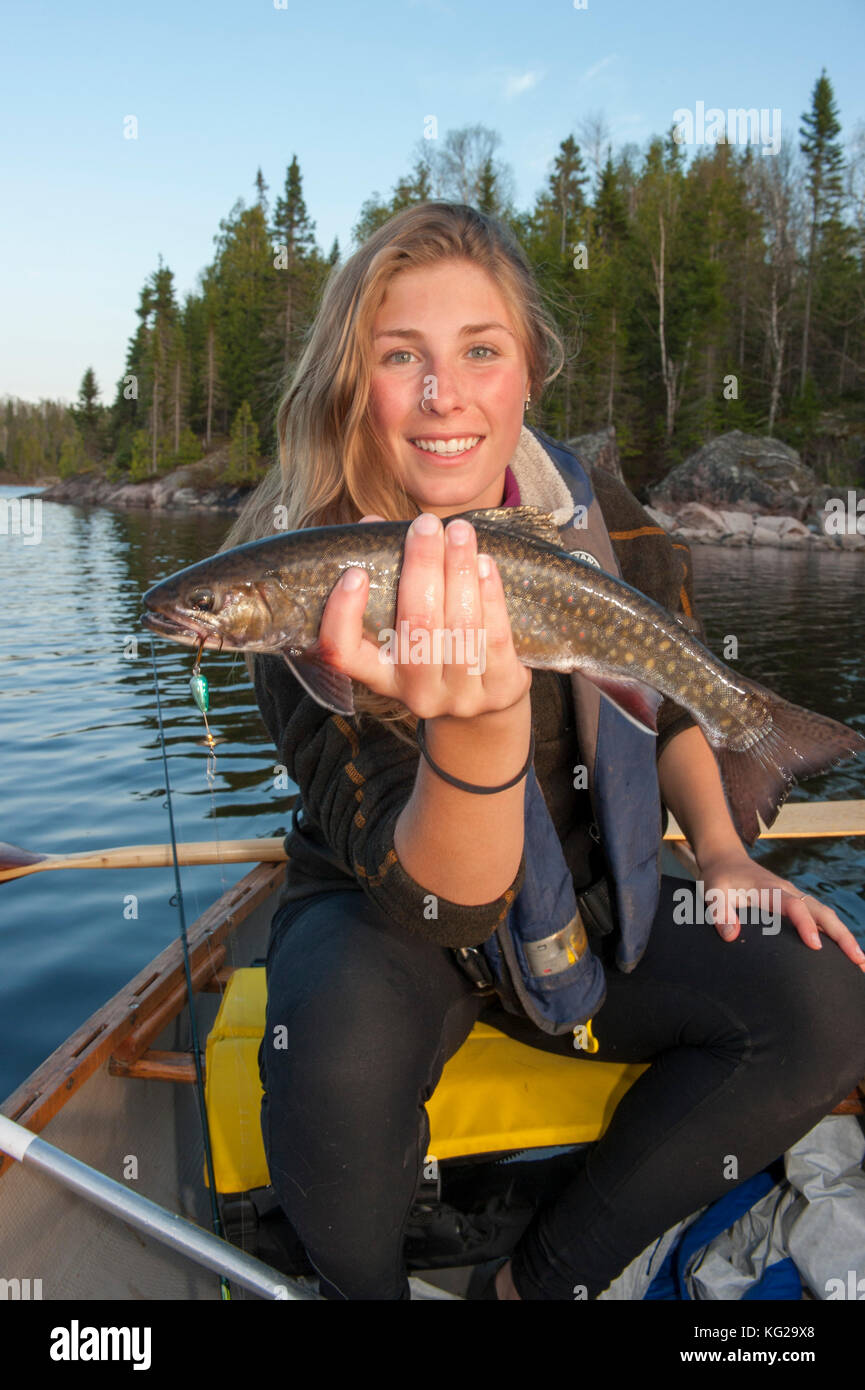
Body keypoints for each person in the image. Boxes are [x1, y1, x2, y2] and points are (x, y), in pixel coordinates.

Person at [223, 201, 865, 1301]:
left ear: (529, 372)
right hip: (399, 912)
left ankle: (533, 1283)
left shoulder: (596, 507)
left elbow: (660, 698)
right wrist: (476, 731)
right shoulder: (303, 585)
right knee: (327, 1060)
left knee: (823, 1001)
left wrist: (718, 848)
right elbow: (442, 907)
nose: (444, 395)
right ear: (349, 383)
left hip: (586, 894)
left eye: (481, 350)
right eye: (398, 357)